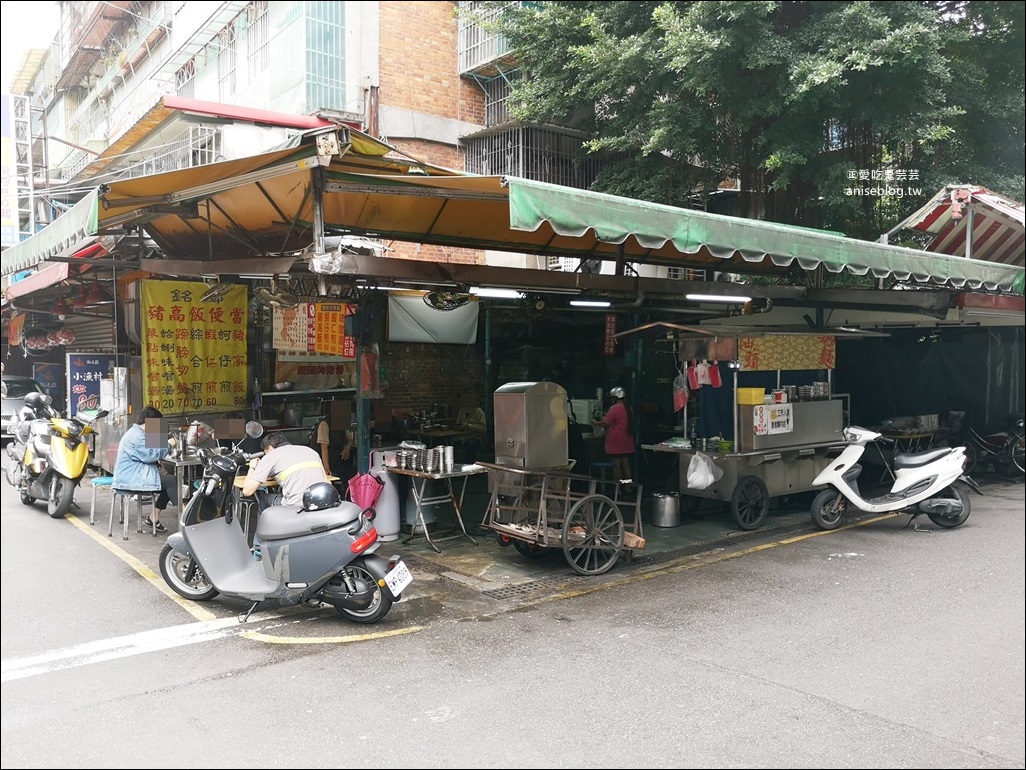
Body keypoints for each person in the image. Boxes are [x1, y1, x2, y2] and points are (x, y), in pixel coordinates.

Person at [112, 405, 178, 533]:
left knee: (168, 480)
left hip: (135, 474)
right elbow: (152, 455)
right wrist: (170, 444)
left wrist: (163, 441)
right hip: (131, 478)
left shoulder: (139, 432)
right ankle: (186, 517)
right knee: (172, 481)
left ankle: (153, 518)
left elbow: (153, 450)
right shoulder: (137, 436)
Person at [241, 431, 327, 509]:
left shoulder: (271, 455)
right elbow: (327, 481)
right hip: (322, 500)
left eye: (265, 451)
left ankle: (265, 526)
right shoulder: (310, 451)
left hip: (295, 505)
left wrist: (252, 467)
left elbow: (247, 491)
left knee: (264, 499)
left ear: (270, 448)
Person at [592, 386, 635, 487]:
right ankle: (628, 487)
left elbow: (605, 423)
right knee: (626, 464)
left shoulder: (614, 408)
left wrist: (595, 422)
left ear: (615, 398)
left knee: (617, 466)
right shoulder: (629, 408)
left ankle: (618, 488)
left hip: (616, 442)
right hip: (627, 441)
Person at [454, 394, 487, 462]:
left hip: (475, 437)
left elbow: (483, 428)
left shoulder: (479, 412)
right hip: (462, 437)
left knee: (471, 444)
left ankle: (470, 464)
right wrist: (458, 427)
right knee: (450, 444)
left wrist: (469, 426)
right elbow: (458, 423)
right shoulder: (462, 411)